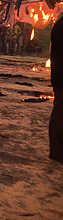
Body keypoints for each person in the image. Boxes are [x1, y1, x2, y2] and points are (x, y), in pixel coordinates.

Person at [49, 13, 63, 164]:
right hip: (61, 78)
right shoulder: (61, 27)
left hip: (59, 76)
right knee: (60, 113)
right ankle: (57, 150)